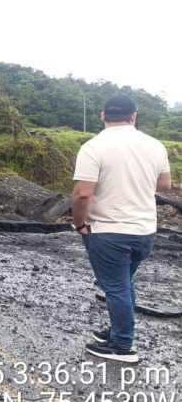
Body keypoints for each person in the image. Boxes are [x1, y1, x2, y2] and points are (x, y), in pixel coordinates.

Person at [72, 95, 171, 363]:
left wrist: (79, 225)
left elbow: (82, 194)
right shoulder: (154, 145)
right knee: (123, 284)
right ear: (134, 116)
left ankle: (122, 345)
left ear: (103, 116)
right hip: (145, 232)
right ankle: (118, 330)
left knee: (115, 287)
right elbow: (164, 185)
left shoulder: (93, 147)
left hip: (109, 231)